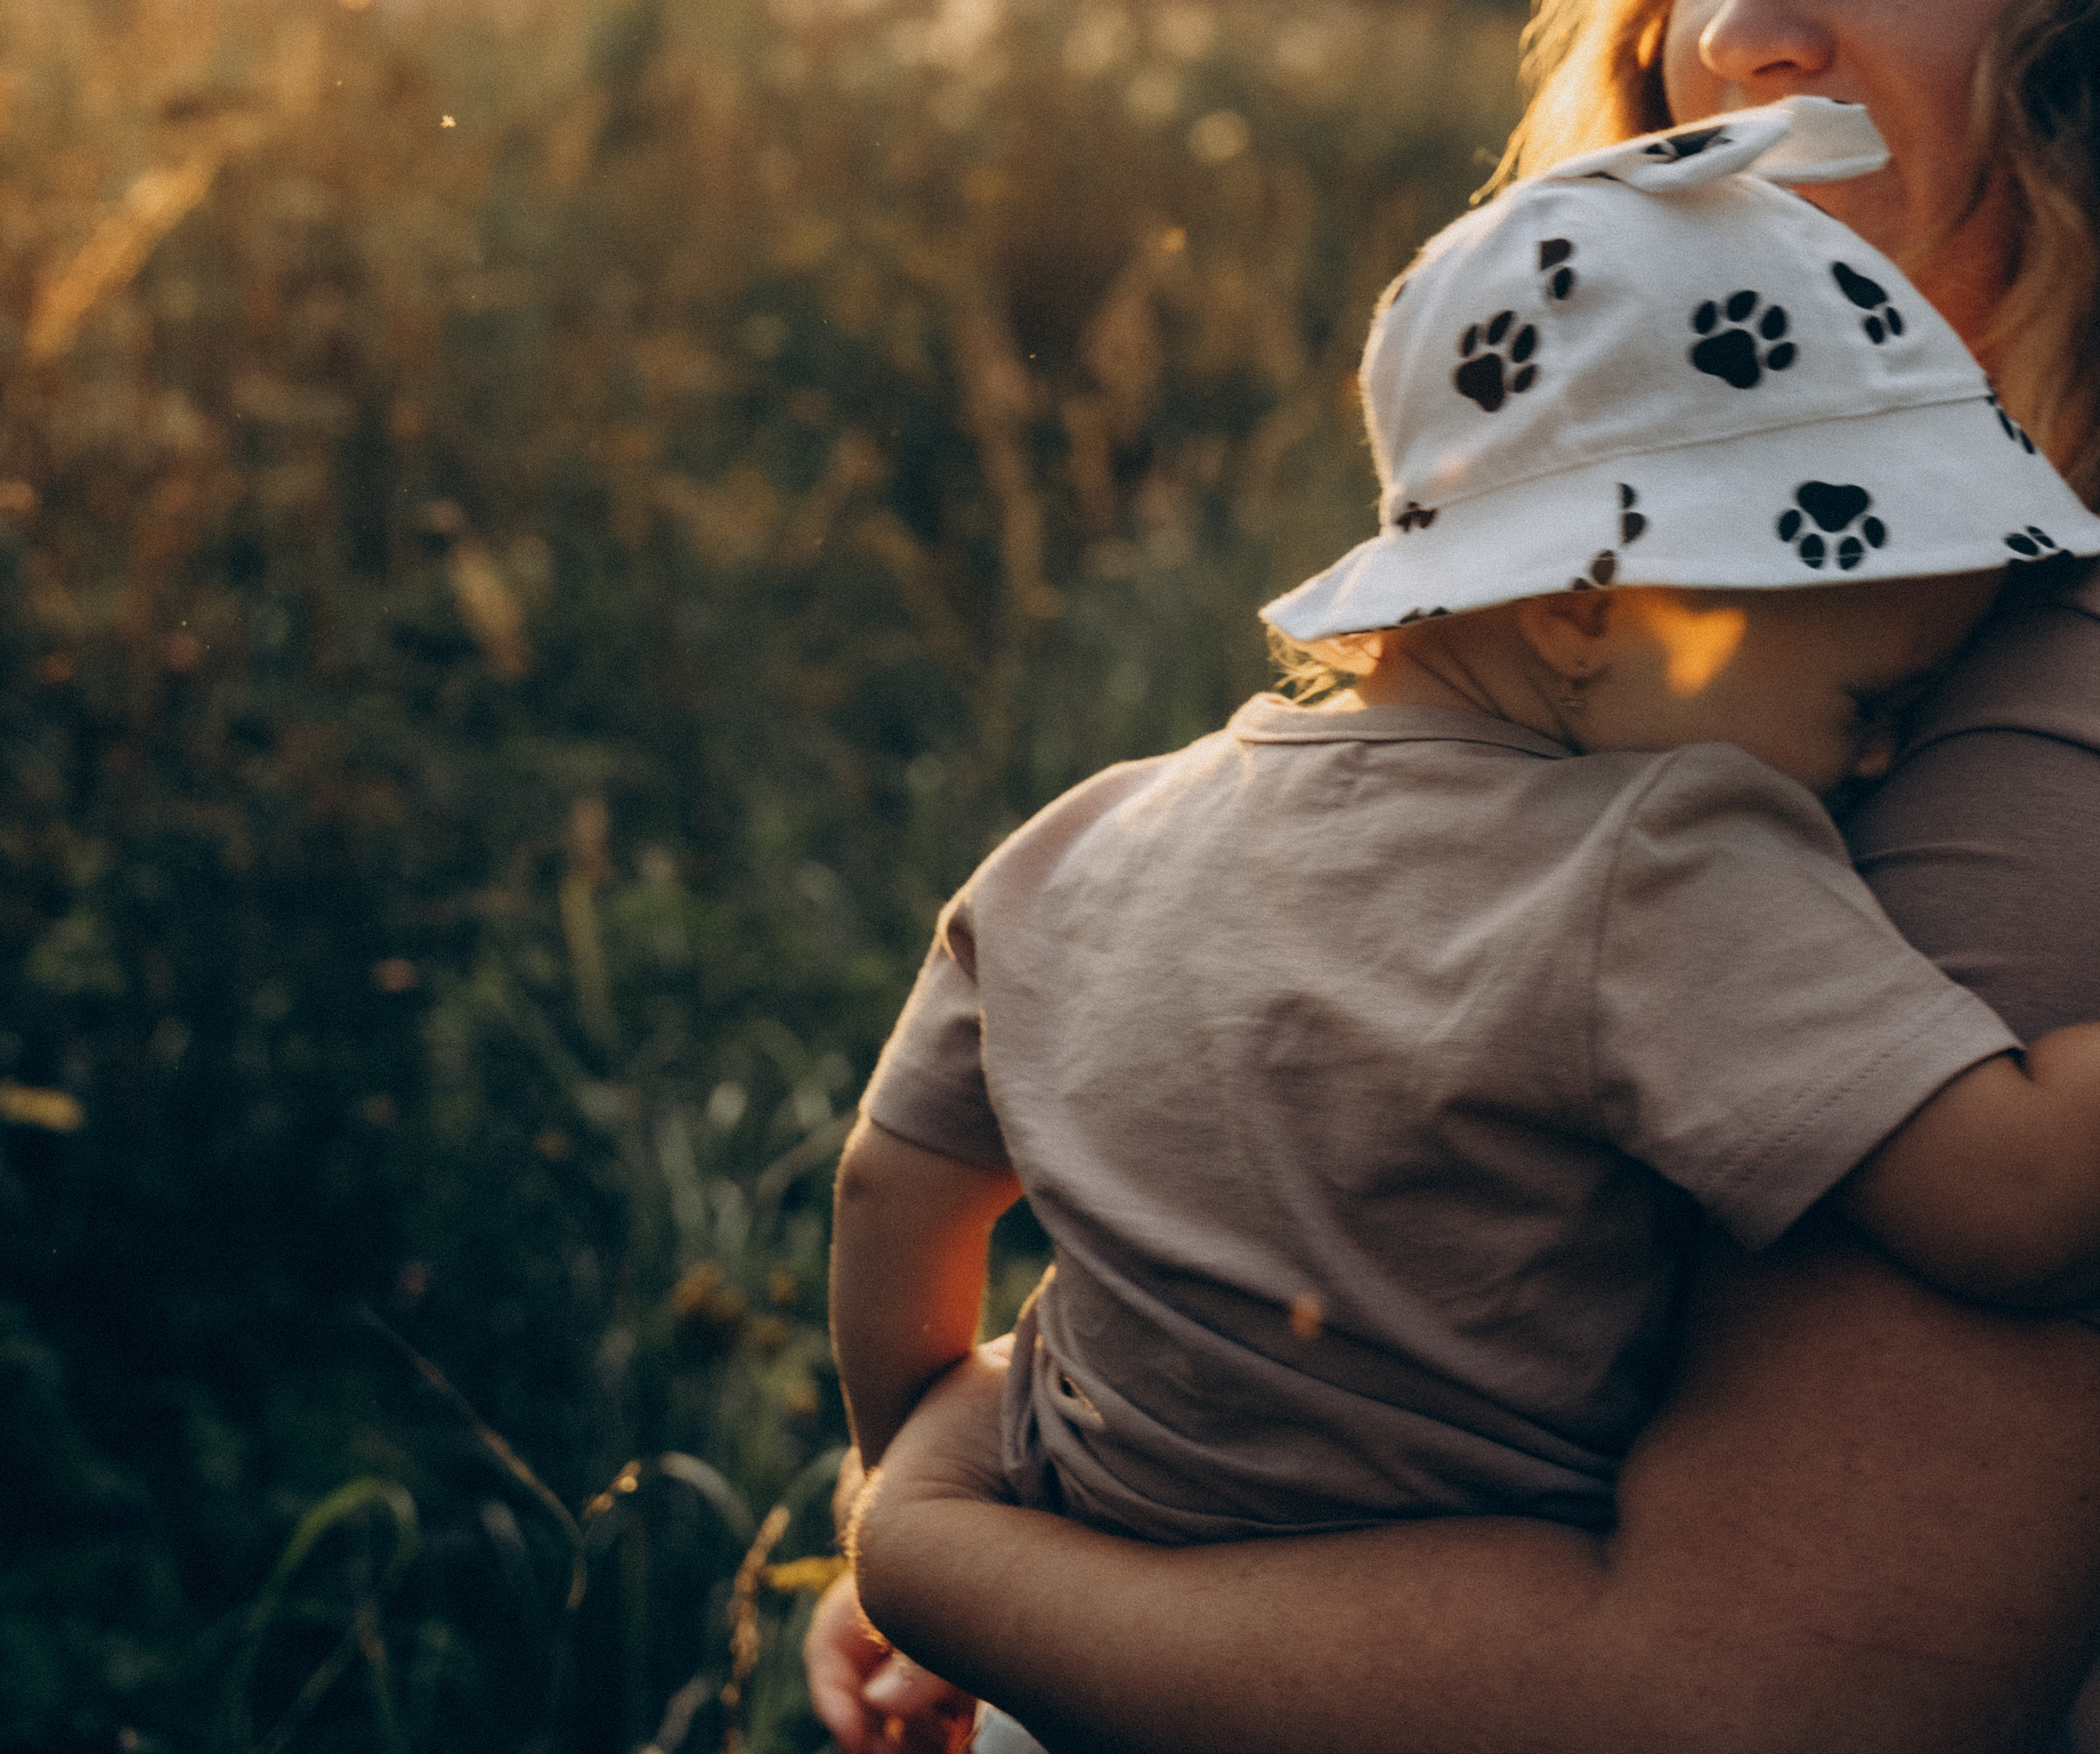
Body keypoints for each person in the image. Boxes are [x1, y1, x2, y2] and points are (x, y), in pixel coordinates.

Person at [809, 0, 2100, 1746]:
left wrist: (930, 1467)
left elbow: (896, 1187)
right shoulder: (1652, 862)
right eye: (1867, 702)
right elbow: (2012, 1193)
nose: (1879, 754)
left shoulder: (1092, 831)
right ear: (1580, 603)